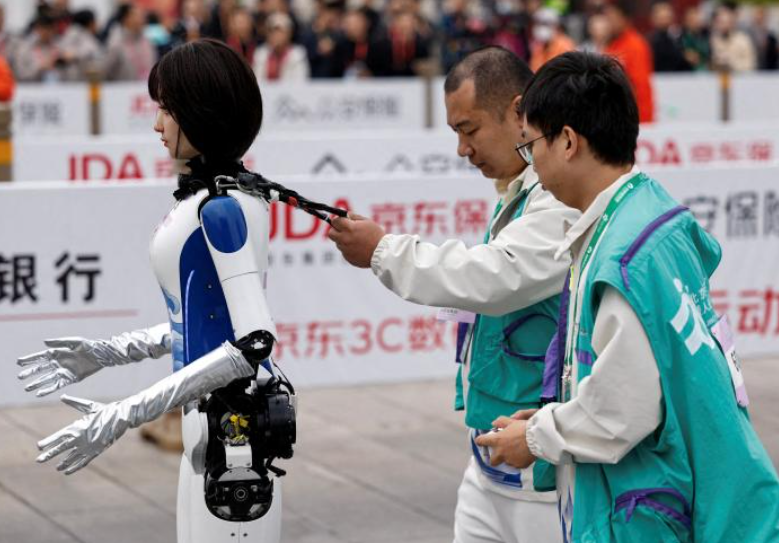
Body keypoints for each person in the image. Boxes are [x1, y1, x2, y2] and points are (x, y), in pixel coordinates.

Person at [475, 51, 779, 543]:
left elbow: (622, 409)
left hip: (652, 509)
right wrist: (556, 413)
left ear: (568, 141)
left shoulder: (623, 253)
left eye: (530, 145)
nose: (531, 163)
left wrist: (535, 437)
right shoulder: (646, 213)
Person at [17, 39, 294, 543]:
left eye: (167, 109)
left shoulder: (223, 207)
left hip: (234, 437)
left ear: (201, 113)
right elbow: (206, 325)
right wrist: (106, 353)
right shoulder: (219, 198)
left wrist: (122, 414)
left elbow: (253, 342)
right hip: (212, 429)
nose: (157, 124)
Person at [329, 46, 579, 543]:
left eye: (470, 129)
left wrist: (382, 251)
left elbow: (494, 276)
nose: (463, 149)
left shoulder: (560, 196)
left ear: (518, 111)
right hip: (489, 458)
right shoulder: (519, 189)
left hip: (541, 475)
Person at [603, 2, 654, 123]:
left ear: (624, 18)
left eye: (611, 18)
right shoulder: (612, 44)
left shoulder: (635, 45)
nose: (607, 23)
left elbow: (639, 85)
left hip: (634, 118)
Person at [253, 12, 309, 81]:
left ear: (289, 33)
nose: (275, 35)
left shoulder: (298, 54)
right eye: (271, 31)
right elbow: (257, 80)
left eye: (279, 31)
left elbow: (300, 81)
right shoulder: (260, 53)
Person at [710, 2, 756, 72]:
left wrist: (731, 64)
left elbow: (751, 64)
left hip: (740, 77)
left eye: (726, 22)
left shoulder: (743, 40)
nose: (724, 26)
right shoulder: (713, 40)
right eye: (721, 22)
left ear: (732, 23)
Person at [649, 1, 691, 72]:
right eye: (659, 12)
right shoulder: (650, 41)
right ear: (652, 17)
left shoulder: (680, 36)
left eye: (667, 11)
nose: (664, 14)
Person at [529, 8, 575, 72]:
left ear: (557, 25)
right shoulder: (539, 45)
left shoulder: (565, 44)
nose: (542, 28)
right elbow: (534, 68)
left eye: (546, 24)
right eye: (539, 23)